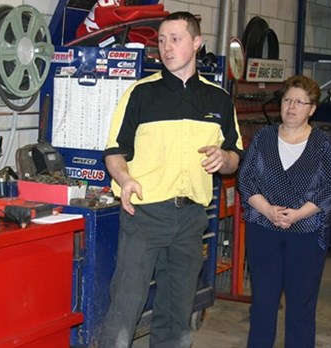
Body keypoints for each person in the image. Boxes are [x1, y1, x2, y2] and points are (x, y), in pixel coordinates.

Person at [101, 12, 243, 348]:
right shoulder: (139, 94)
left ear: (196, 43)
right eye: (161, 41)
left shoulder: (218, 99)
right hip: (144, 215)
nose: (166, 48)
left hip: (192, 218)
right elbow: (113, 152)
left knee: (177, 310)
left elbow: (234, 155)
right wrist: (125, 177)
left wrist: (224, 159)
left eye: (175, 39)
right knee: (126, 305)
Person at [238, 75, 331, 348]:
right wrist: (268, 210)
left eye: (300, 102)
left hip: (307, 235)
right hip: (263, 230)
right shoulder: (264, 138)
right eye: (287, 100)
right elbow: (245, 180)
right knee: (262, 304)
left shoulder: (323, 144)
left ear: (312, 108)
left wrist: (297, 215)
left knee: (301, 308)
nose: (291, 107)